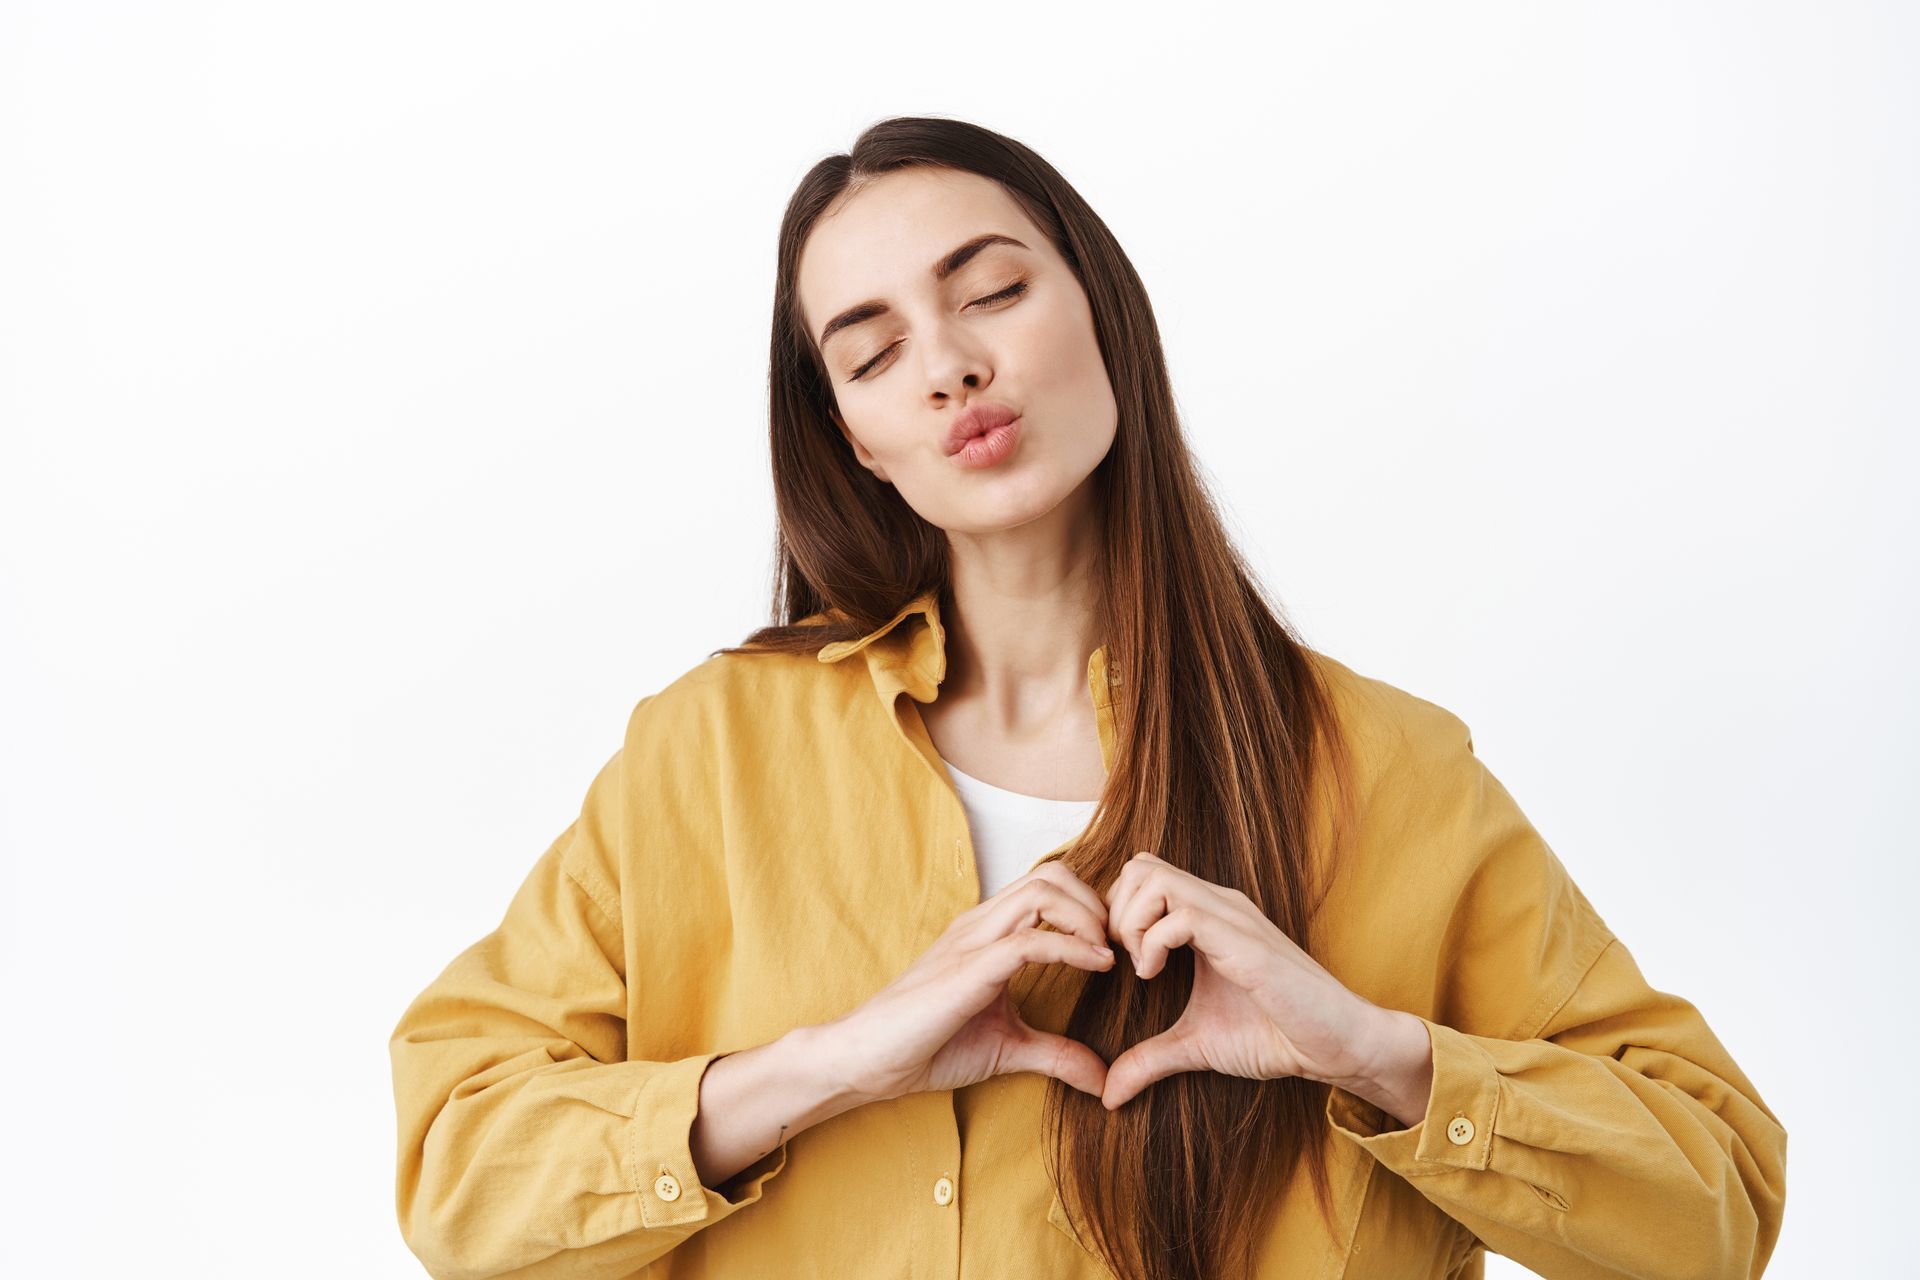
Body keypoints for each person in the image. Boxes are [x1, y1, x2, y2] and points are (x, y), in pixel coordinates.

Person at [388, 116, 1787, 1280]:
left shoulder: (1386, 767)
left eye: (990, 291)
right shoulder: (709, 754)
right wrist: (824, 1067)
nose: (948, 366)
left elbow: (1715, 1202)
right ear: (856, 443)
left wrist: (1373, 1054)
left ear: (1103, 308)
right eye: (872, 354)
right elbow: (460, 1175)